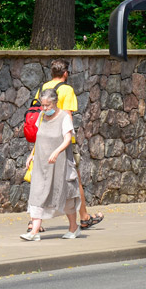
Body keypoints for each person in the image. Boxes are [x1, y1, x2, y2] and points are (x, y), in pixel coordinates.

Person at [39, 60, 103, 230]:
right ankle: (83, 217)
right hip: (62, 140)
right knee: (75, 179)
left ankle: (35, 222)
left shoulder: (44, 88)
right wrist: (70, 138)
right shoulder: (67, 90)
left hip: (45, 138)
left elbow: (40, 112)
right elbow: (67, 116)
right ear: (65, 73)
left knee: (45, 179)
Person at [21, 89, 81, 241]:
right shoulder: (41, 116)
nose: (45, 108)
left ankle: (73, 227)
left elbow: (67, 139)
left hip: (59, 164)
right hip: (42, 164)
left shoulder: (64, 118)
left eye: (48, 105)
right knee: (36, 193)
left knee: (64, 195)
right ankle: (34, 231)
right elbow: (39, 138)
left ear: (55, 102)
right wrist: (32, 154)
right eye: (43, 105)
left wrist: (57, 151)